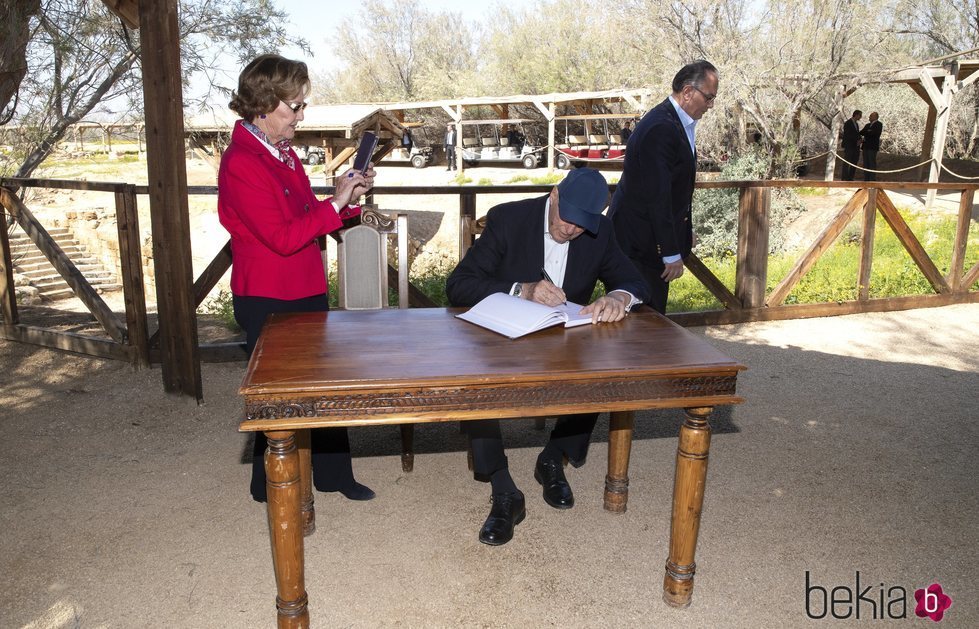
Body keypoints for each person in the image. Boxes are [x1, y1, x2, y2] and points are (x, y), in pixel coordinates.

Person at [446, 167, 650, 546]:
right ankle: (504, 488)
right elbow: (458, 285)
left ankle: (554, 457)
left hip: (562, 342)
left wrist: (618, 297)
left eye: (582, 225)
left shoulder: (599, 232)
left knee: (599, 367)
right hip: (499, 342)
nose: (572, 229)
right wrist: (521, 290)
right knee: (475, 381)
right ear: (554, 194)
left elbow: (634, 281)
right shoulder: (509, 217)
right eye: (567, 218)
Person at [218, 54, 376, 504]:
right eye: (295, 107)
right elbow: (282, 238)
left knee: (322, 385)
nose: (301, 116)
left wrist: (345, 198)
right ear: (262, 106)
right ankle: (267, 482)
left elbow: (305, 216)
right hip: (268, 296)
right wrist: (335, 203)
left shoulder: (281, 152)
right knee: (276, 397)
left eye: (302, 105)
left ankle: (332, 474)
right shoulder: (242, 163)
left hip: (305, 287)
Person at [608, 60, 719, 314]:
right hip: (640, 244)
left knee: (649, 320)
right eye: (709, 97)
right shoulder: (661, 128)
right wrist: (669, 251)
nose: (711, 105)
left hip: (648, 239)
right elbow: (656, 196)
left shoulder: (677, 123)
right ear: (688, 92)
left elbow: (676, 189)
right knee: (643, 321)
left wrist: (683, 232)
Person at [841, 109, 862, 181]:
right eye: (860, 115)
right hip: (849, 145)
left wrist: (860, 139)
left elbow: (856, 134)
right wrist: (856, 140)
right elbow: (848, 135)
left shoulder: (856, 124)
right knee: (847, 161)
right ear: (856, 115)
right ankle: (844, 177)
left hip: (856, 146)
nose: (861, 117)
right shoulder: (848, 123)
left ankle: (850, 177)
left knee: (854, 161)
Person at [860, 112, 882, 181]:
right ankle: (866, 178)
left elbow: (875, 134)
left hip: (872, 147)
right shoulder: (867, 125)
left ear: (875, 117)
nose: (869, 117)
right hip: (865, 146)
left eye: (871, 116)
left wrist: (868, 132)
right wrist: (868, 131)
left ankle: (872, 178)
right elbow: (862, 132)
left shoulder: (879, 124)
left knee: (871, 162)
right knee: (866, 163)